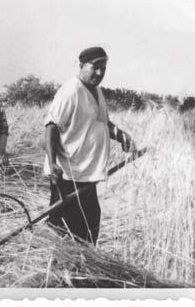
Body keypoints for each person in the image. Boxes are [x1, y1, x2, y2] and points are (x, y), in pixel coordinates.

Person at [44, 47, 136, 245]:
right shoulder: (71, 91)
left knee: (89, 229)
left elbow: (103, 123)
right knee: (65, 234)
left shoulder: (98, 92)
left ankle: (83, 272)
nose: (100, 73)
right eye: (95, 67)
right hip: (68, 175)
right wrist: (52, 163)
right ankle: (61, 274)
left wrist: (123, 137)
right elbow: (51, 126)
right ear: (81, 65)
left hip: (88, 174)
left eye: (103, 68)